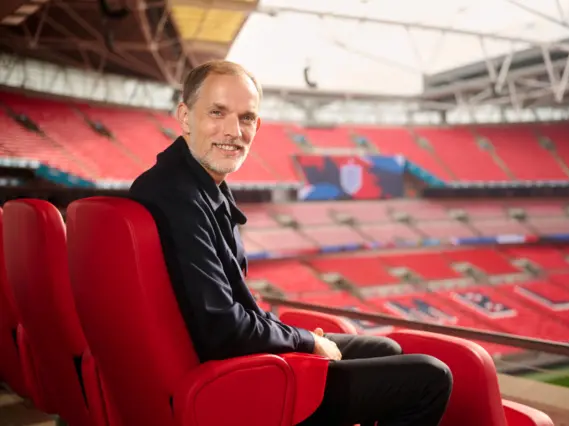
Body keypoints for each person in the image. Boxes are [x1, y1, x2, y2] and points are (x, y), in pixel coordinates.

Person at [129, 60, 452, 426]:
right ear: (185, 117)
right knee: (431, 377)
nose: (234, 131)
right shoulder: (178, 196)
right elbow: (222, 328)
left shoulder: (192, 184)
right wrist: (305, 342)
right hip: (235, 382)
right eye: (217, 113)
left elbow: (226, 306)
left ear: (258, 125)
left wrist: (291, 336)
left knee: (382, 348)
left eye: (246, 118)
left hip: (228, 360)